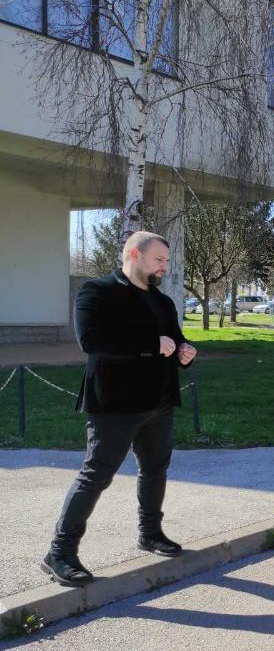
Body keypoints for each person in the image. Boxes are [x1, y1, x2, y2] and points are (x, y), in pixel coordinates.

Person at [41, 231, 197, 587]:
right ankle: (59, 552)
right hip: (115, 404)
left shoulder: (162, 302)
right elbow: (91, 340)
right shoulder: (97, 292)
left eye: (166, 261)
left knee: (155, 470)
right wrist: (151, 345)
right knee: (96, 475)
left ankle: (150, 533)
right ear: (133, 253)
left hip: (160, 402)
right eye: (158, 259)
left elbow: (174, 341)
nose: (164, 267)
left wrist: (186, 352)